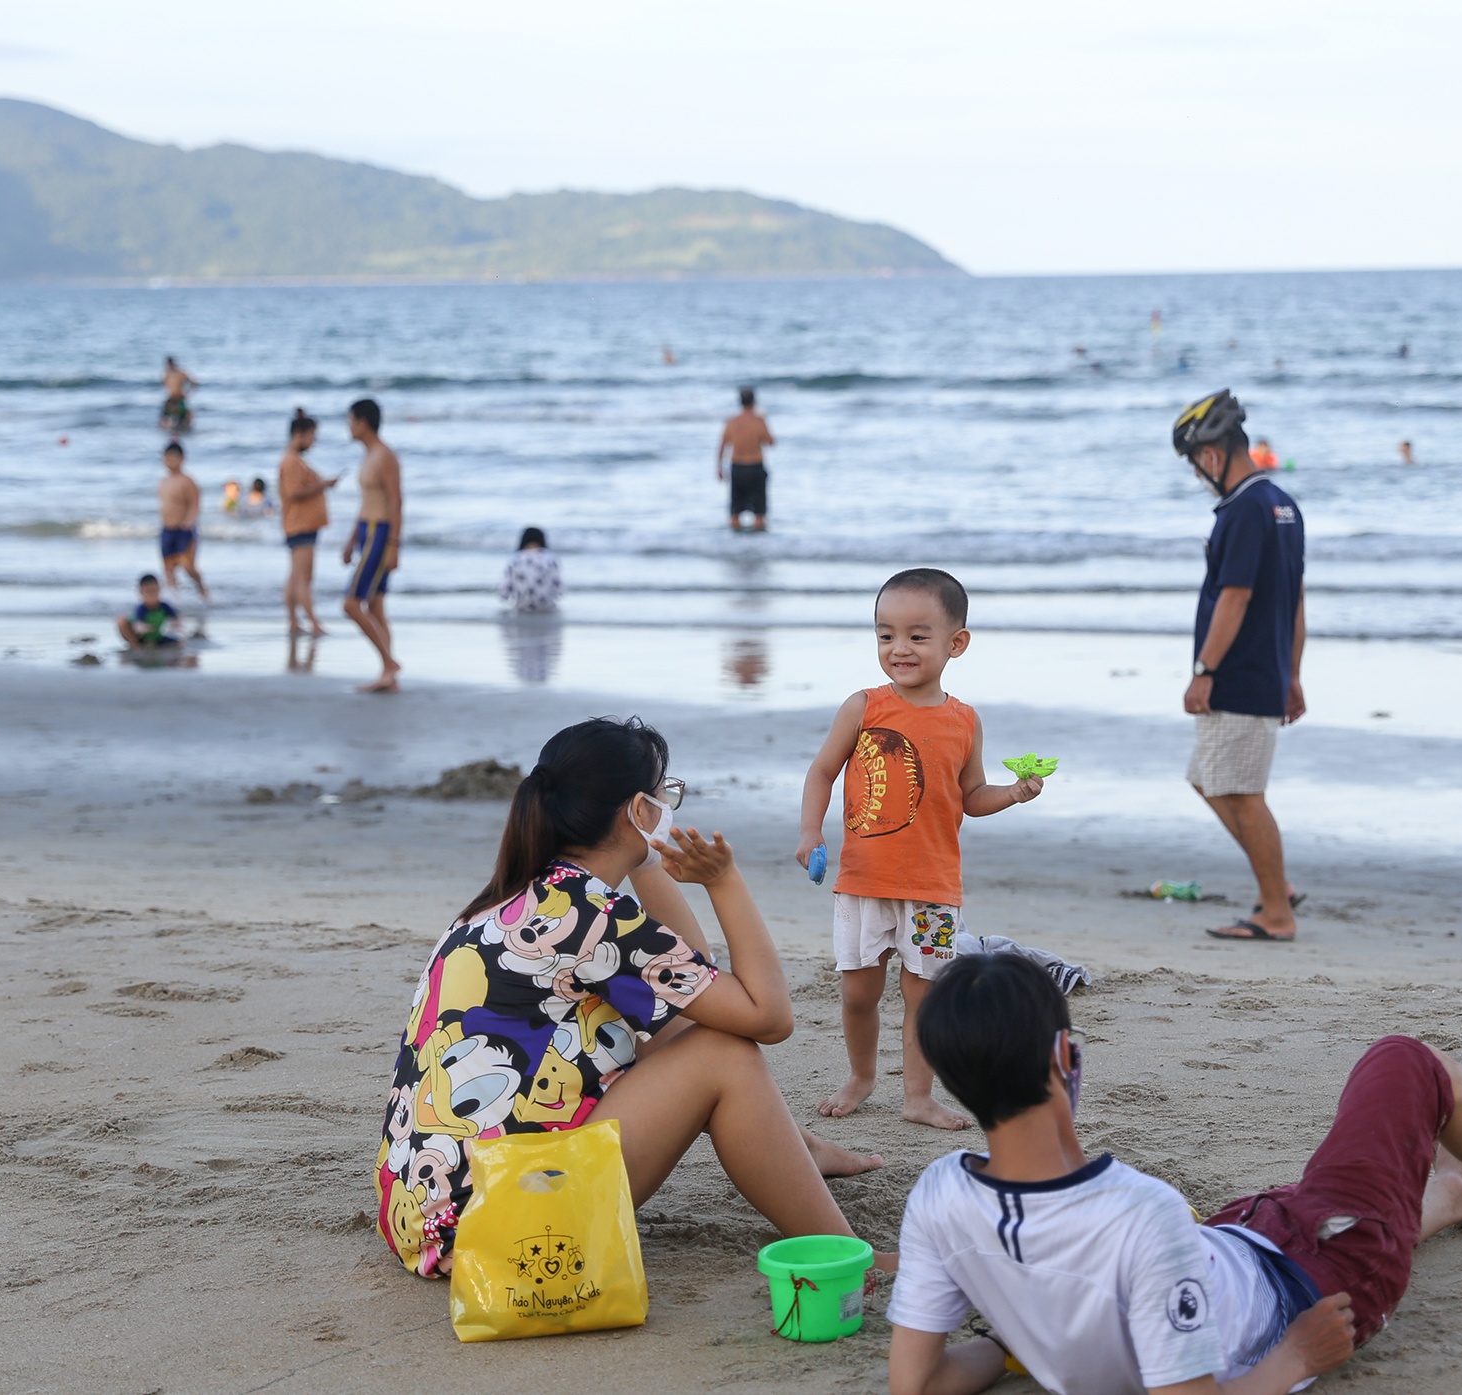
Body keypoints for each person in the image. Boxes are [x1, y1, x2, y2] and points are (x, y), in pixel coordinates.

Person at [887, 954, 1462, 1395]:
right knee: (1405, 1063)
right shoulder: (1140, 1212)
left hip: (1231, 1243)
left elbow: (916, 1385)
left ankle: (1452, 1193)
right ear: (1066, 1058)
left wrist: (1027, 1339)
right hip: (1304, 1283)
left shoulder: (940, 1196)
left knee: (1324, 1202)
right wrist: (1293, 1359)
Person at [376, 717, 885, 1279]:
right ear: (640, 810)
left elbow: (697, 988)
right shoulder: (592, 915)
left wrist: (650, 859)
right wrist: (724, 882)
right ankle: (847, 1254)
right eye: (666, 792)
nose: (673, 804)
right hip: (503, 1229)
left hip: (427, 1215)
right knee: (727, 1057)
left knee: (685, 1029)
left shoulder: (522, 896)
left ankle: (795, 1149)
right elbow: (769, 1017)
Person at [796, 568, 1045, 1130]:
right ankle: (861, 1077)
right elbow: (821, 771)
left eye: (916, 635)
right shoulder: (864, 706)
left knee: (923, 997)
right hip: (863, 883)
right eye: (886, 635)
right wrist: (811, 831)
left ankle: (917, 1097)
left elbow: (972, 797)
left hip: (933, 887)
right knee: (860, 992)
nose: (898, 648)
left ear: (956, 643)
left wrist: (1014, 793)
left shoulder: (964, 721)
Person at [1173, 391, 1305, 942]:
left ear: (1209, 455)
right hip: (1266, 668)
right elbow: (1295, 600)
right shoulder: (1281, 504)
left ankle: (1276, 912)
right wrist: (1293, 673)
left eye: (1194, 463)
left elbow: (1235, 597)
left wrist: (1204, 669)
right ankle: (1278, 883)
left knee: (1242, 794)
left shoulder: (1242, 510)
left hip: (1239, 674)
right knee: (1208, 779)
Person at [341, 398, 402, 692]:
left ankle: (389, 663)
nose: (348, 426)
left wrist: (393, 545)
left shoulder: (385, 456)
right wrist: (352, 539)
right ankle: (388, 675)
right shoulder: (368, 456)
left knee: (351, 604)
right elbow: (366, 502)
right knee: (375, 606)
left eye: (351, 421)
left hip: (380, 532)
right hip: (367, 530)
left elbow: (396, 501)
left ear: (363, 422)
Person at [279, 408, 339, 636]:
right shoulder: (292, 462)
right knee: (304, 577)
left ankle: (295, 622)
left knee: (296, 575)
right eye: (312, 436)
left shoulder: (294, 461)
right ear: (300, 434)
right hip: (300, 524)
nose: (314, 441)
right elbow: (294, 492)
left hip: (300, 524)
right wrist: (323, 485)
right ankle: (313, 623)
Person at [717, 386, 775, 532]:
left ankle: (737, 547)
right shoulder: (759, 421)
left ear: (740, 402)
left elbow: (722, 446)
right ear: (754, 401)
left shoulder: (731, 422)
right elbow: (770, 442)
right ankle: (758, 546)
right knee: (759, 515)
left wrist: (719, 468)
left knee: (735, 514)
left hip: (737, 468)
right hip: (755, 467)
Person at [157, 442, 209, 602]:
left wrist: (190, 520)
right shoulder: (163, 481)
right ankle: (175, 599)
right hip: (167, 529)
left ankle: (201, 589)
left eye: (173, 458)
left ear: (182, 459)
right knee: (168, 567)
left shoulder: (187, 481)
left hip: (183, 530)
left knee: (187, 566)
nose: (170, 461)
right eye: (167, 457)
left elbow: (195, 503)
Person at [498, 526, 564, 613]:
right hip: (547, 607)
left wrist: (504, 596)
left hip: (522, 606)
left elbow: (504, 588)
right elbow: (560, 588)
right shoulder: (551, 559)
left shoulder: (516, 559)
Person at [116, 574, 180, 649]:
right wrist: (142, 627)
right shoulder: (141, 608)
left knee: (179, 643)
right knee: (121, 620)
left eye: (154, 591)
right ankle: (135, 646)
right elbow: (137, 624)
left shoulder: (164, 606)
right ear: (141, 592)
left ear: (159, 589)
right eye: (148, 592)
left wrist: (176, 625)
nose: (151, 595)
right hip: (141, 638)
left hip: (157, 637)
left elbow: (176, 617)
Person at [160, 357, 196, 432]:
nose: (169, 366)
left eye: (170, 365)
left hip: (180, 398)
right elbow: (164, 385)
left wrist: (188, 393)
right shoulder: (167, 374)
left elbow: (193, 383)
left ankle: (185, 432)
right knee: (165, 419)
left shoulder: (180, 373)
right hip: (171, 398)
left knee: (185, 418)